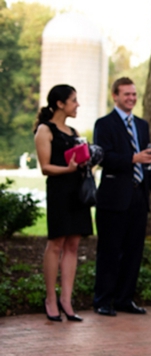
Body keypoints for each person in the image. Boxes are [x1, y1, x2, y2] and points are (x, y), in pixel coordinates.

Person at [93, 77, 151, 317]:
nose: (131, 99)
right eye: (126, 94)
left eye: (134, 94)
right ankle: (103, 301)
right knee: (109, 251)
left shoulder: (142, 125)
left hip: (138, 197)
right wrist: (133, 159)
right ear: (114, 96)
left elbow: (147, 161)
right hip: (114, 197)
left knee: (134, 251)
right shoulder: (104, 124)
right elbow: (104, 158)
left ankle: (125, 299)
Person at [34, 85, 92, 322]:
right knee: (56, 243)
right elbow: (45, 167)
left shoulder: (73, 131)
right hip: (59, 191)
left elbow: (78, 162)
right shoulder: (44, 130)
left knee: (73, 245)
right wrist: (68, 169)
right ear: (60, 104)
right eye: (73, 101)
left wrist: (89, 162)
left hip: (77, 192)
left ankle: (66, 300)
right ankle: (50, 298)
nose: (77, 105)